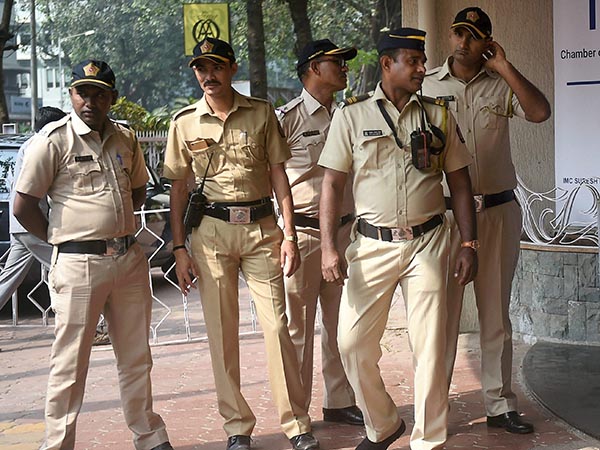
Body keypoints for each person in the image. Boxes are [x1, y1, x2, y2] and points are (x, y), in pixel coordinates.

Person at [319, 28, 479, 450]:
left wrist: (469, 244)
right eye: (414, 61)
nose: (423, 68)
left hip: (429, 242)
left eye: (423, 61)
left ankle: (428, 441)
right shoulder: (351, 116)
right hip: (372, 246)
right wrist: (328, 247)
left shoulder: (438, 115)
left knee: (430, 348)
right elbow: (332, 184)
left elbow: (460, 183)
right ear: (388, 64)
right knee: (351, 343)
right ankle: (384, 424)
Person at [163, 38, 318, 450]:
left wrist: (289, 234)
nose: (208, 76)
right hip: (211, 234)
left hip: (262, 229)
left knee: (277, 327)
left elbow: (279, 174)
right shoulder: (184, 123)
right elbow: (179, 189)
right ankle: (236, 427)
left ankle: (296, 423)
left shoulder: (262, 112)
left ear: (232, 68)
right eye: (201, 68)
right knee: (222, 332)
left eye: (216, 67)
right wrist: (179, 248)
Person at [13, 59, 173, 450]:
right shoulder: (53, 141)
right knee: (69, 363)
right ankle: (58, 443)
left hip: (128, 260)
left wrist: (115, 223)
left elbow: (138, 190)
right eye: (82, 93)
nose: (90, 101)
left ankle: (150, 437)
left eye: (99, 94)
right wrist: (62, 239)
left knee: (136, 357)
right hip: (78, 264)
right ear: (71, 95)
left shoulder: (125, 138)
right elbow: (23, 205)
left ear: (112, 98)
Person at [421, 7, 551, 434]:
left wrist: (505, 67)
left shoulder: (501, 84)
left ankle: (499, 405)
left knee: (495, 314)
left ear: (487, 43)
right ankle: (434, 408)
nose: (463, 42)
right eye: (458, 33)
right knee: (441, 317)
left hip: (496, 211)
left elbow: (539, 112)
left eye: (473, 36)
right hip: (443, 216)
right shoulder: (426, 86)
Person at [276, 39, 363, 426]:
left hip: (345, 233)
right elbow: (271, 179)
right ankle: (297, 414)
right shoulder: (287, 119)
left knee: (341, 322)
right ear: (313, 68)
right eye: (337, 61)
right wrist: (285, 235)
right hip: (304, 236)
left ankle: (339, 401)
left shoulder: (348, 115)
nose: (345, 68)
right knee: (297, 328)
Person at [0, 107, 65, 312]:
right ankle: (96, 319)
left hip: (21, 225)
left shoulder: (29, 145)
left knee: (8, 280)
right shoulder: (39, 145)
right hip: (31, 223)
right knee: (67, 268)